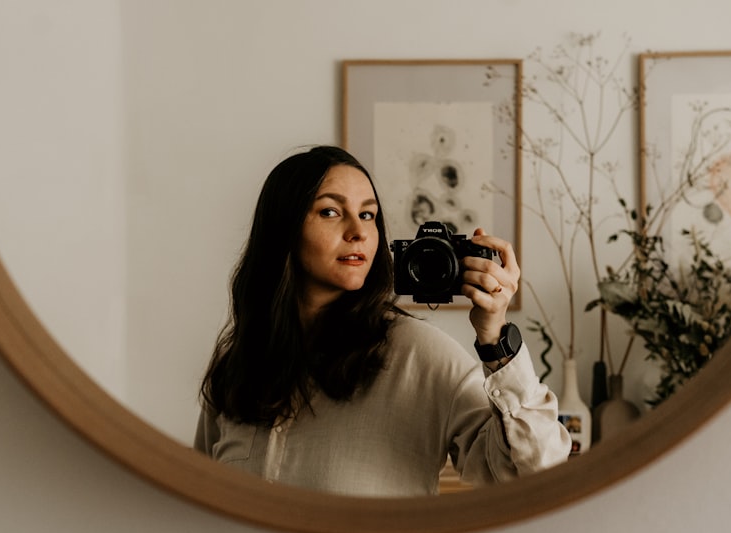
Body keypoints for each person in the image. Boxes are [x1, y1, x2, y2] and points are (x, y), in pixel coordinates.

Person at [195, 145, 571, 496]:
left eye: (368, 215)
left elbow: (539, 474)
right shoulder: (239, 365)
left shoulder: (420, 356)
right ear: (284, 229)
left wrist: (496, 339)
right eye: (330, 211)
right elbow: (203, 505)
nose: (358, 232)